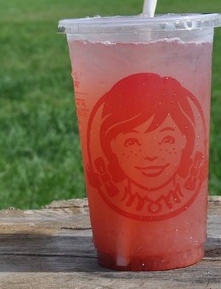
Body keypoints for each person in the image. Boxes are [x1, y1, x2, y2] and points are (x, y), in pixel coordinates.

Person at [87, 73, 207, 218]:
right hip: (113, 233)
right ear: (112, 145)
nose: (151, 155)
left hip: (188, 230)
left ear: (185, 140)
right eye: (132, 142)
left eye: (167, 140)